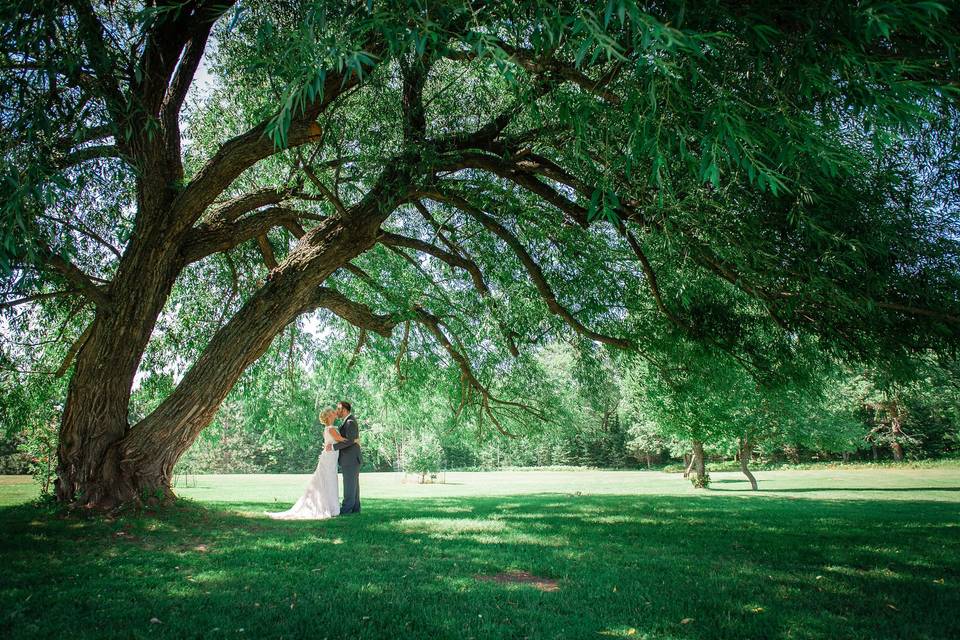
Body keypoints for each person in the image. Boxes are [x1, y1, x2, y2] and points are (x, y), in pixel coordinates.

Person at [265, 407, 346, 520]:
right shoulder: (331, 429)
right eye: (333, 412)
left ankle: (330, 507)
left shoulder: (328, 428)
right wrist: (355, 440)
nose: (335, 413)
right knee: (328, 480)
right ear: (328, 416)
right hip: (329, 459)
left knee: (328, 480)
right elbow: (342, 440)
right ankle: (329, 507)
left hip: (330, 458)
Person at [326, 400, 361, 514]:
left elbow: (349, 441)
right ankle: (355, 509)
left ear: (344, 410)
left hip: (350, 458)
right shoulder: (348, 421)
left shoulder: (350, 422)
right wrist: (354, 440)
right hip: (351, 458)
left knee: (349, 485)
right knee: (353, 485)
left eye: (339, 409)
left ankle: (346, 509)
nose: (337, 411)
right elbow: (351, 440)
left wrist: (333, 447)